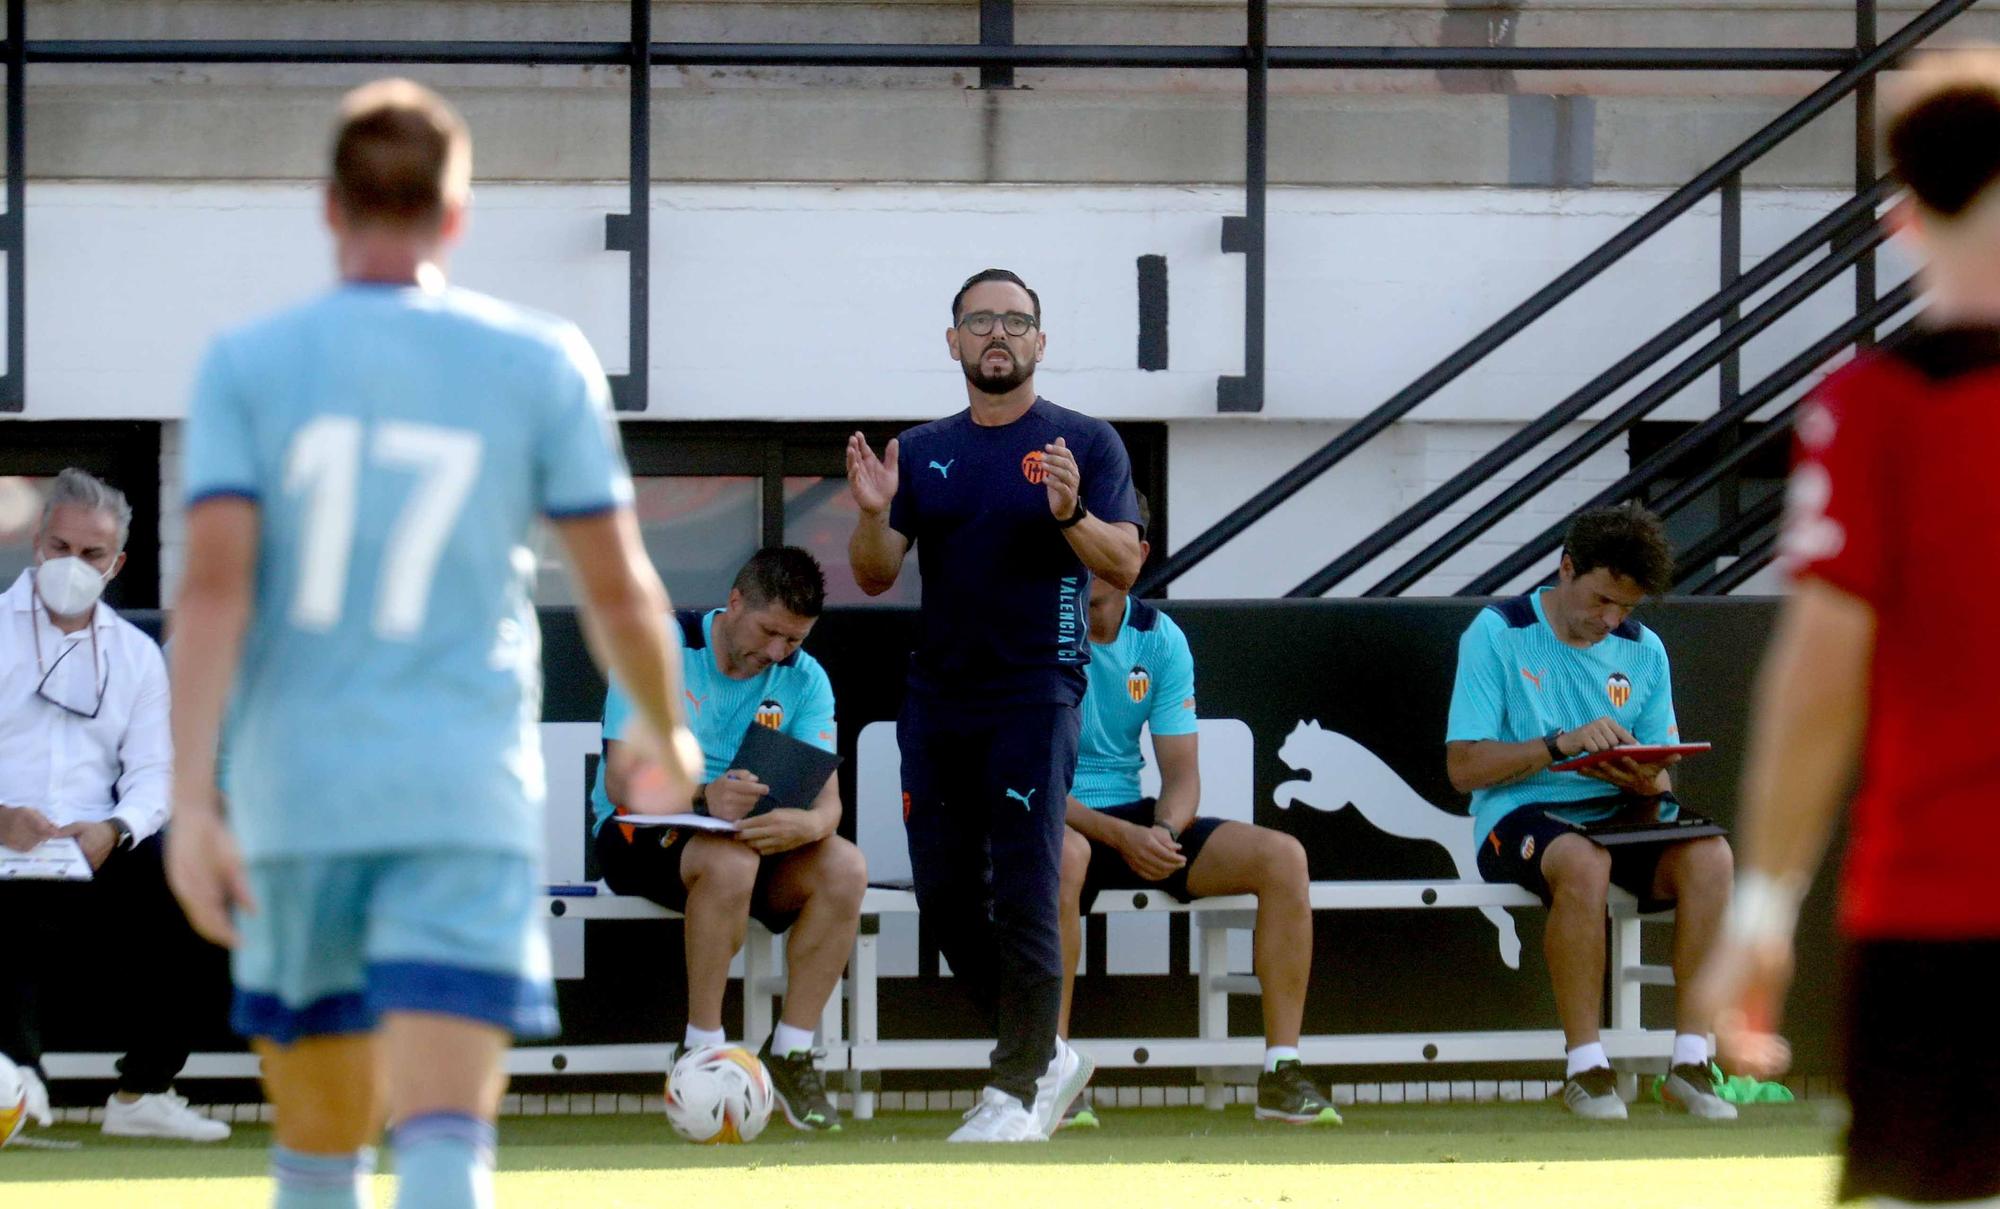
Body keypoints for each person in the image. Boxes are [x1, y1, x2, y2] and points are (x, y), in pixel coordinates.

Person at [165, 79, 701, 1209]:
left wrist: (193, 803)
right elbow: (619, 589)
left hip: (296, 800)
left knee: (316, 1157)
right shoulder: (539, 358)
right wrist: (662, 728)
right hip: (461, 796)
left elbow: (210, 594)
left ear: (328, 207)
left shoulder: (245, 364)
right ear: (457, 216)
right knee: (447, 1145)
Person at [1692, 50, 2000, 1206]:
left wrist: (1765, 905)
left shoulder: (1872, 407)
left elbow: (1818, 676)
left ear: (1902, 217)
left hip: (1941, 911)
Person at [845, 267, 1144, 1142]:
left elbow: (1123, 562)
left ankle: (1015, 1090)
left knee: (1024, 887)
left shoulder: (1083, 443)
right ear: (954, 343)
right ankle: (1044, 1054)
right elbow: (872, 572)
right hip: (938, 696)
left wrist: (1069, 510)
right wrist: (870, 513)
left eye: (1016, 321)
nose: (998, 335)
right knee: (943, 895)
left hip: (1035, 690)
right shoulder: (925, 447)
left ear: (1041, 343)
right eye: (981, 321)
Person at [1444, 504, 1736, 1121]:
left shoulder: (1644, 649)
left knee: (1712, 855)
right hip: (1519, 816)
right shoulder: (1498, 631)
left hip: (1620, 815)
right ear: (1565, 569)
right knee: (1582, 861)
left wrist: (1638, 775)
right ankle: (1586, 1068)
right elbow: (1464, 769)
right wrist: (1560, 745)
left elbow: (1660, 775)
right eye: (1601, 600)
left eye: (1625, 608)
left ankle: (1691, 1061)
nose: (1611, 620)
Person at [1054, 495, 1335, 1127]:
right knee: (1065, 859)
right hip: (1059, 821)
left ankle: (1282, 1071)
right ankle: (1054, 1072)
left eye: (1106, 538)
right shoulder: (1037, 631)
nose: (1089, 552)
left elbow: (1182, 775)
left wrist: (1160, 830)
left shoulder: (1161, 639)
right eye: (1078, 536)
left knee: (1282, 857)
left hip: (1132, 820)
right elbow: (1031, 782)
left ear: (1136, 556)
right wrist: (1122, 835)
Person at [592, 546, 865, 1131]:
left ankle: (790, 1053)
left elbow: (830, 803)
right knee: (729, 861)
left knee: (844, 867)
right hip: (641, 829)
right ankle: (702, 1051)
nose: (776, 653)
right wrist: (700, 797)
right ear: (735, 602)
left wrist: (810, 825)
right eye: (769, 632)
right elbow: (620, 781)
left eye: (792, 641)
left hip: (748, 840)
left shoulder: (805, 676)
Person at [0, 470, 229, 1143]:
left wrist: (115, 827)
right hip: (2, 847)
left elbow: (157, 772)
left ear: (116, 562)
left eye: (91, 553)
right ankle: (19, 1084)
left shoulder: (135, 654)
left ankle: (143, 1093)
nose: (72, 565)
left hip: (92, 850)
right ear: (36, 545)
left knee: (197, 874)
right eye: (60, 547)